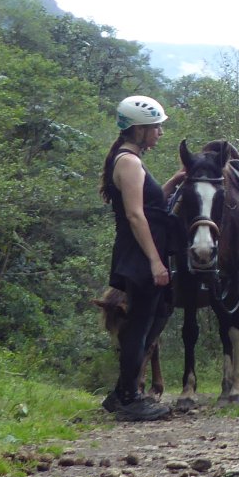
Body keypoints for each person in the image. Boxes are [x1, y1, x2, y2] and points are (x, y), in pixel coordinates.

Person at [99, 94, 183, 422]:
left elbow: (148, 206)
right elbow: (136, 216)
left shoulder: (129, 159)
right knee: (140, 323)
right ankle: (131, 398)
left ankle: (122, 391)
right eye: (155, 127)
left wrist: (173, 181)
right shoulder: (129, 162)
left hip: (139, 250)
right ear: (138, 130)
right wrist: (155, 261)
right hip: (139, 252)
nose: (160, 133)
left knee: (157, 313)